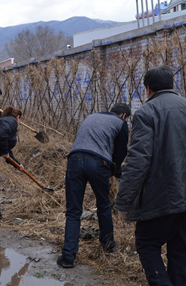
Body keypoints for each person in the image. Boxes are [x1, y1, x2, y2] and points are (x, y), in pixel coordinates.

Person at [115, 66, 186, 286]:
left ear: (148, 89)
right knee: (181, 249)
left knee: (146, 243)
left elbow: (139, 160)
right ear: (172, 84)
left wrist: (123, 200)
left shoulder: (146, 113)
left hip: (161, 196)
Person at [56, 103, 131, 269]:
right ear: (124, 115)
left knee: (73, 210)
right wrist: (116, 171)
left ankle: (68, 256)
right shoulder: (121, 124)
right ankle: (107, 245)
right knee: (103, 205)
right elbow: (120, 153)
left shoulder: (92, 117)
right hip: (97, 163)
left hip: (74, 160)